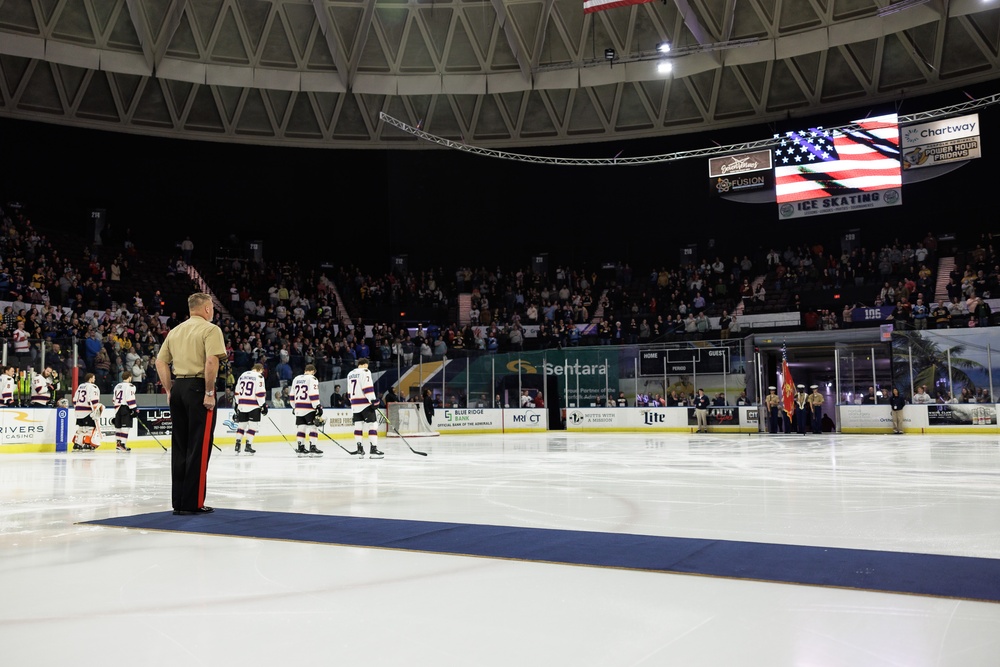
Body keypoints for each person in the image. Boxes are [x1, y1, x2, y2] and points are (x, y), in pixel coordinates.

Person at [154, 293, 227, 516]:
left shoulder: (175, 331)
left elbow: (160, 361)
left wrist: (169, 390)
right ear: (206, 309)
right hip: (198, 388)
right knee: (199, 447)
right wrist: (208, 392)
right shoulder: (210, 329)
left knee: (180, 447)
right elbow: (212, 360)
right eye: (211, 308)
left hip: (179, 389)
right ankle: (193, 503)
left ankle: (179, 501)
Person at [347, 358, 382, 458]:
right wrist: (373, 400)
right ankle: (374, 450)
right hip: (365, 404)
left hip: (354, 404)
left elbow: (349, 392)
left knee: (358, 427)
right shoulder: (365, 371)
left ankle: (359, 449)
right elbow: (367, 387)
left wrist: (352, 402)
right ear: (365, 364)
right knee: (372, 426)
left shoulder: (350, 374)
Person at [234, 363, 267, 455]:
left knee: (241, 426)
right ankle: (248, 445)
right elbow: (260, 393)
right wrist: (263, 405)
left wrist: (237, 403)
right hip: (253, 405)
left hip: (242, 404)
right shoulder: (259, 377)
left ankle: (237, 444)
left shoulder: (243, 375)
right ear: (260, 369)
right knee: (252, 427)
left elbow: (237, 391)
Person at [291, 364, 323, 457]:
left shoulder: (296, 379)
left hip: (298, 408)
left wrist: (294, 407)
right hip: (309, 407)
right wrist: (317, 406)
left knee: (301, 428)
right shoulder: (312, 379)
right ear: (313, 371)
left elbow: (292, 395)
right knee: (313, 428)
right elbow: (313, 394)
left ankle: (300, 448)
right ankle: (313, 447)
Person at [72, 372, 104, 450]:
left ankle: (77, 444)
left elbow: (74, 400)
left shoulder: (80, 386)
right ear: (90, 379)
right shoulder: (93, 387)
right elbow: (94, 401)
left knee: (81, 429)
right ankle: (87, 444)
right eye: (93, 378)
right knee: (89, 429)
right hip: (87, 412)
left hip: (78, 411)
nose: (94, 379)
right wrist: (97, 410)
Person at [112, 370, 137, 452]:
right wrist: (134, 409)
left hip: (117, 408)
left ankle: (118, 445)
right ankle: (122, 444)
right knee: (125, 427)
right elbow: (130, 398)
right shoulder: (130, 386)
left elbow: (113, 399)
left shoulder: (117, 386)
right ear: (129, 377)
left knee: (118, 427)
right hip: (125, 408)